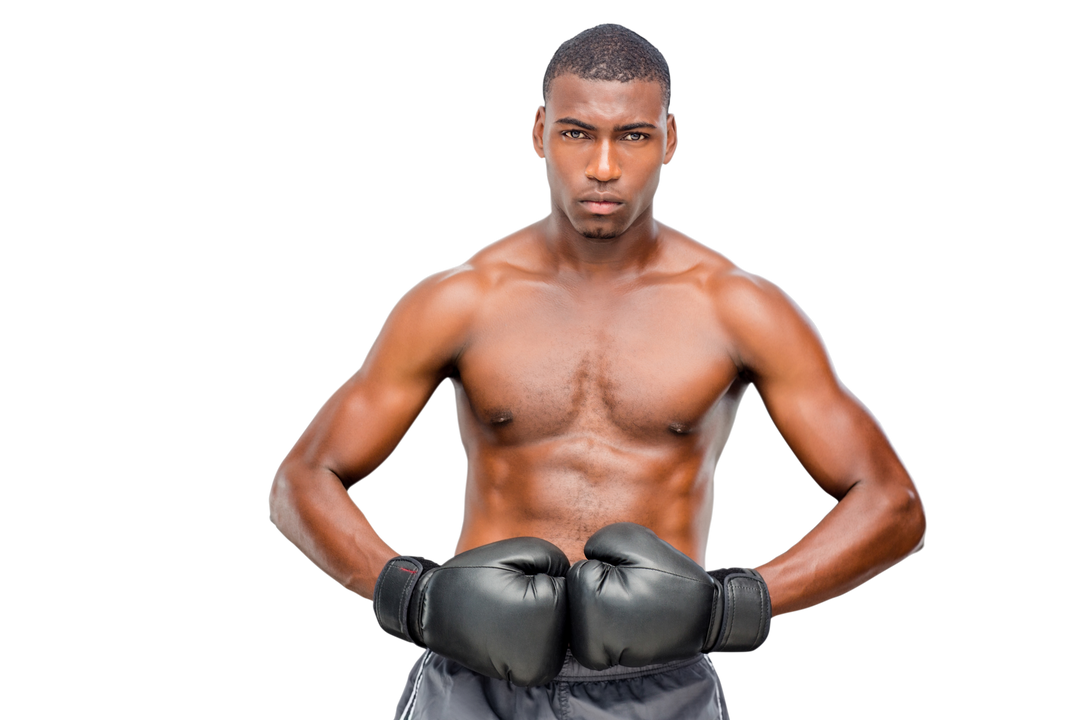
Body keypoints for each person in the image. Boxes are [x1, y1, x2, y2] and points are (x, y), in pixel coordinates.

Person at [266, 21, 929, 719]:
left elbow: (893, 506)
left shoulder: (739, 307)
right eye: (578, 134)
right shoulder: (459, 299)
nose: (604, 167)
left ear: (670, 139)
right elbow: (300, 480)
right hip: (471, 677)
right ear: (537, 134)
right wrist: (417, 597)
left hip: (660, 683)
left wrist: (726, 607)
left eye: (633, 137)